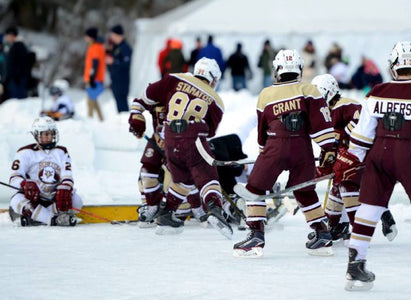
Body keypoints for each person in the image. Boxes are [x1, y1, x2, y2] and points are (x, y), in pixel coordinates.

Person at [336, 41, 411, 292]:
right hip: (408, 154)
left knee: (368, 209)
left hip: (378, 154)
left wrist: (351, 158)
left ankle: (355, 267)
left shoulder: (376, 91)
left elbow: (362, 135)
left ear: (393, 66)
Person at [232, 49, 337, 258]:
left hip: (275, 146)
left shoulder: (266, 94)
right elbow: (321, 123)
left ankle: (255, 235)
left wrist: (263, 153)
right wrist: (329, 148)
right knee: (304, 191)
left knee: (254, 188)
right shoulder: (309, 89)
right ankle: (322, 234)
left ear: (277, 70)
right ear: (298, 68)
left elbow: (262, 131)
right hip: (302, 148)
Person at [140, 57, 232, 237]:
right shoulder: (216, 100)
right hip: (193, 135)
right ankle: (215, 209)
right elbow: (210, 131)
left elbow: (149, 93)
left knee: (183, 179)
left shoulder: (174, 78)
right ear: (213, 78)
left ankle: (166, 214)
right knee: (207, 175)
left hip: (170, 137)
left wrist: (137, 112)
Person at [311, 74, 397, 243]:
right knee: (338, 183)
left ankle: (359, 231)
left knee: (346, 183)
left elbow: (360, 127)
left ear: (328, 92)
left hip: (363, 155)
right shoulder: (326, 112)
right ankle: (337, 225)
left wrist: (338, 143)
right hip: (348, 157)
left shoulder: (347, 105)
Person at [128, 96, 206, 228]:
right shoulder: (156, 94)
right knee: (146, 172)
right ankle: (152, 207)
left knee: (184, 176)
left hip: (177, 143)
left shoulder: (186, 98)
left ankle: (197, 208)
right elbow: (137, 103)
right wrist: (136, 122)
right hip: (157, 141)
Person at [8, 116, 83, 226]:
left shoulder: (61, 152)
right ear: (36, 135)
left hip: (54, 196)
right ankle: (53, 219)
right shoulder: (24, 153)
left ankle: (35, 217)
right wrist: (25, 184)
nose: (50, 137)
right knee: (16, 201)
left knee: (77, 202)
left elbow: (67, 175)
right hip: (33, 197)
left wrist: (65, 188)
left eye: (52, 133)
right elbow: (14, 178)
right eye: (46, 134)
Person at [107, 24, 132, 113]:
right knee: (118, 104)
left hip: (122, 80)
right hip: (115, 80)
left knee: (123, 105)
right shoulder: (115, 47)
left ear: (118, 35)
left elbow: (126, 64)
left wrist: (113, 62)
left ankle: (126, 123)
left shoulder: (125, 47)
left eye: (113, 35)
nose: (112, 38)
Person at [83, 27, 105, 121]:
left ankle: (89, 120)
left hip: (94, 78)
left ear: (91, 37)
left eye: (86, 36)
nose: (85, 38)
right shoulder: (95, 46)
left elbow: (95, 63)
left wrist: (92, 78)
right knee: (93, 100)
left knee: (90, 101)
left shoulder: (96, 47)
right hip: (94, 77)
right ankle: (101, 119)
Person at [4, 26, 30, 99]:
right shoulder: (12, 46)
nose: (6, 38)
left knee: (17, 100)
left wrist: (17, 75)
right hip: (14, 78)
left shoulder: (19, 46)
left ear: (12, 36)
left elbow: (21, 62)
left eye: (7, 36)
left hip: (18, 79)